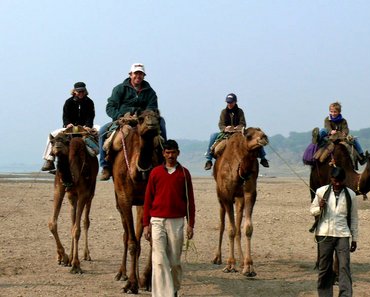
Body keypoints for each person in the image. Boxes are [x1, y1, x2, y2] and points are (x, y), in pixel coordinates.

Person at [143, 139, 195, 297]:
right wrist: (146, 224)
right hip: (157, 220)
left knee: (174, 262)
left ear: (178, 153)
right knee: (158, 260)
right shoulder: (155, 172)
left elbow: (190, 201)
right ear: (163, 154)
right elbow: (148, 199)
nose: (170, 155)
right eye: (167, 152)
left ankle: (173, 290)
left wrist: (191, 224)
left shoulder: (184, 173)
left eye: (173, 152)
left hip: (177, 221)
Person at [99, 63, 166, 180]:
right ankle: (105, 166)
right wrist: (119, 116)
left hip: (143, 121)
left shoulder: (150, 92)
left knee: (161, 124)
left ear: (144, 76)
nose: (138, 76)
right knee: (102, 131)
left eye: (140, 74)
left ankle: (163, 158)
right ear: (131, 74)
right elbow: (110, 106)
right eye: (136, 73)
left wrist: (142, 115)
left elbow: (153, 108)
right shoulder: (120, 89)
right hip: (123, 120)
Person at [310, 166, 358, 297]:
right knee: (324, 268)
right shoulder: (321, 191)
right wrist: (319, 207)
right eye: (335, 181)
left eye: (340, 181)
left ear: (344, 180)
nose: (337, 184)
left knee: (344, 267)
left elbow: (354, 218)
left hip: (342, 235)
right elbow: (312, 210)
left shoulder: (351, 195)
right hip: (324, 234)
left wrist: (354, 238)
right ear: (331, 179)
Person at [204, 93, 269, 170]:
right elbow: (221, 124)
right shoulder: (224, 112)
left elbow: (243, 123)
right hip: (226, 133)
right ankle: (209, 159)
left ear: (235, 102)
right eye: (228, 102)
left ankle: (263, 158)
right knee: (213, 135)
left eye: (231, 102)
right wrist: (225, 128)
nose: (229, 104)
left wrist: (239, 127)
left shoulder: (240, 111)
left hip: (239, 132)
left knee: (255, 136)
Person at [41, 82, 95, 171]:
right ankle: (49, 160)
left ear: (85, 91)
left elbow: (91, 116)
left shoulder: (89, 102)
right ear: (74, 92)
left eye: (82, 91)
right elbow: (65, 115)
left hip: (84, 128)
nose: (81, 93)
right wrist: (68, 124)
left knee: (99, 133)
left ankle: (103, 162)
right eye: (79, 91)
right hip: (70, 127)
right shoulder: (69, 102)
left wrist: (88, 126)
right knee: (52, 135)